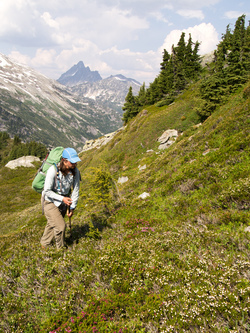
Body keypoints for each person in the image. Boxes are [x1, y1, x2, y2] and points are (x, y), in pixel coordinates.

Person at [40, 148, 81, 249]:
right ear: (64, 160)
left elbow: (76, 190)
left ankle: (44, 244)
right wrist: (62, 199)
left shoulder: (75, 171)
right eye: (72, 161)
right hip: (50, 202)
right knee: (60, 227)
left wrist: (72, 207)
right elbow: (47, 191)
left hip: (63, 203)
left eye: (75, 161)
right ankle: (61, 250)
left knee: (52, 224)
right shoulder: (53, 170)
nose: (75, 163)